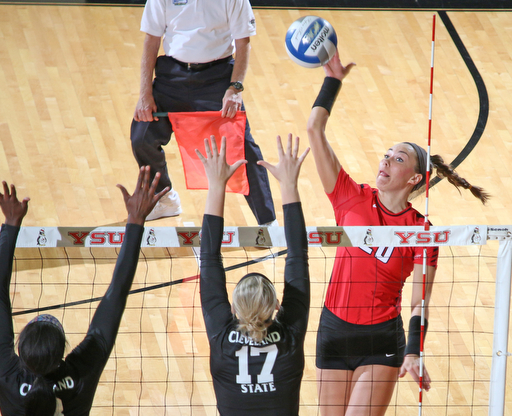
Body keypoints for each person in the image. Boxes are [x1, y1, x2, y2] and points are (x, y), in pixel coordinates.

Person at [307, 52, 490, 416]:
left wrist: (413, 350)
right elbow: (314, 129)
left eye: (398, 158)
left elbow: (421, 301)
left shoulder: (422, 233)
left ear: (415, 179)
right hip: (334, 330)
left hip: (381, 340)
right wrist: (333, 81)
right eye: (386, 154)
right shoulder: (350, 198)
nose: (385, 160)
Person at [0, 167, 168, 416]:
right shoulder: (79, 373)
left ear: (20, 352)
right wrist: (136, 220)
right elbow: (117, 295)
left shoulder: (8, 374)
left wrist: (10, 224)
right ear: (62, 354)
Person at [130, 0, 276, 225]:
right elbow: (151, 40)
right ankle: (166, 198)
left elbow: (243, 42)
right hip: (172, 76)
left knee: (243, 146)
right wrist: (144, 93)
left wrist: (234, 88)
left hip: (217, 78)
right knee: (142, 137)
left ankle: (267, 222)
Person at [197, 134, 310, 416]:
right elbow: (297, 255)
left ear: (233, 308)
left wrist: (216, 185)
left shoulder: (223, 340)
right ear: (276, 307)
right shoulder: (289, 337)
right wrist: (289, 184)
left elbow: (209, 259)